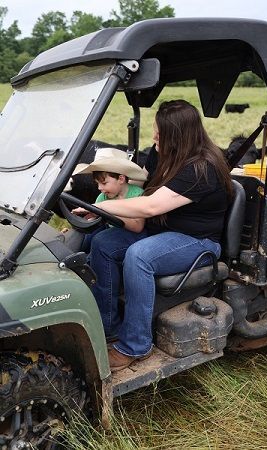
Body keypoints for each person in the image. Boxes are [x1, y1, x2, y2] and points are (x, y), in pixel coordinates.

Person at [72, 100, 232, 372]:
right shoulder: (164, 156)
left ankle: (136, 346)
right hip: (164, 230)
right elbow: (144, 189)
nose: (154, 136)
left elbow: (151, 206)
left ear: (178, 135)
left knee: (139, 256)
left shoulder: (200, 168)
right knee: (103, 243)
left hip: (196, 240)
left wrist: (101, 206)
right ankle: (109, 326)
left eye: (160, 132)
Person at [64, 147, 147, 251]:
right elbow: (95, 217)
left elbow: (137, 227)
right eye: (97, 183)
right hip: (111, 231)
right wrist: (84, 221)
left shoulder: (137, 195)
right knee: (86, 237)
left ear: (121, 179)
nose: (99, 188)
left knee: (100, 242)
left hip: (133, 236)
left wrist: (109, 214)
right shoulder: (103, 197)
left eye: (104, 183)